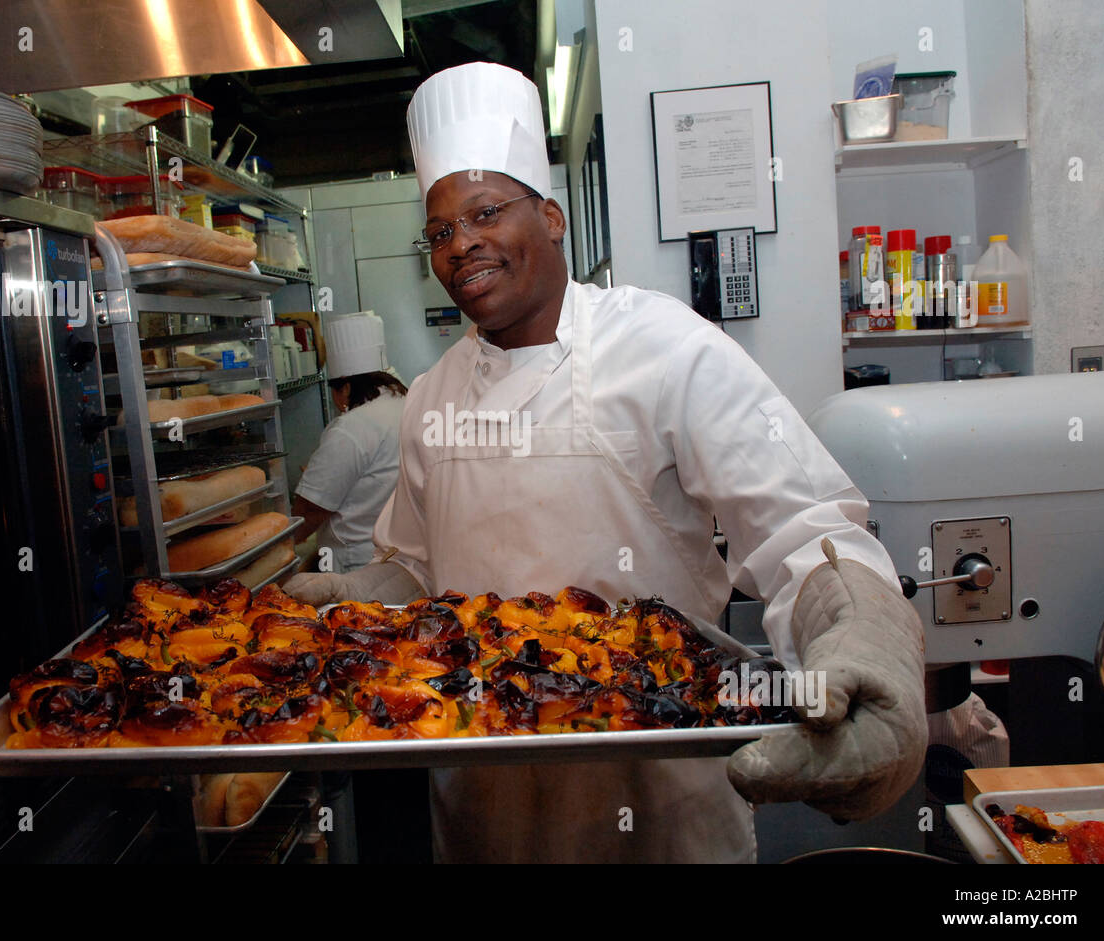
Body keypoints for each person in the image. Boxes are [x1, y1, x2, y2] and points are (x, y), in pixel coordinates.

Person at [286, 62, 927, 863]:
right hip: (485, 812)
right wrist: (351, 597)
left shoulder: (662, 346)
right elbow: (419, 569)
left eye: (486, 211)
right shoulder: (433, 395)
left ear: (551, 217)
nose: (462, 245)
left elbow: (806, 528)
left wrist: (864, 639)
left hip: (657, 799)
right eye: (441, 230)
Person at [291, 311, 407, 574]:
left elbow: (311, 509)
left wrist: (280, 546)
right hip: (402, 557)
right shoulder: (407, 403)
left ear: (344, 387)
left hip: (356, 563)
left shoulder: (352, 427)